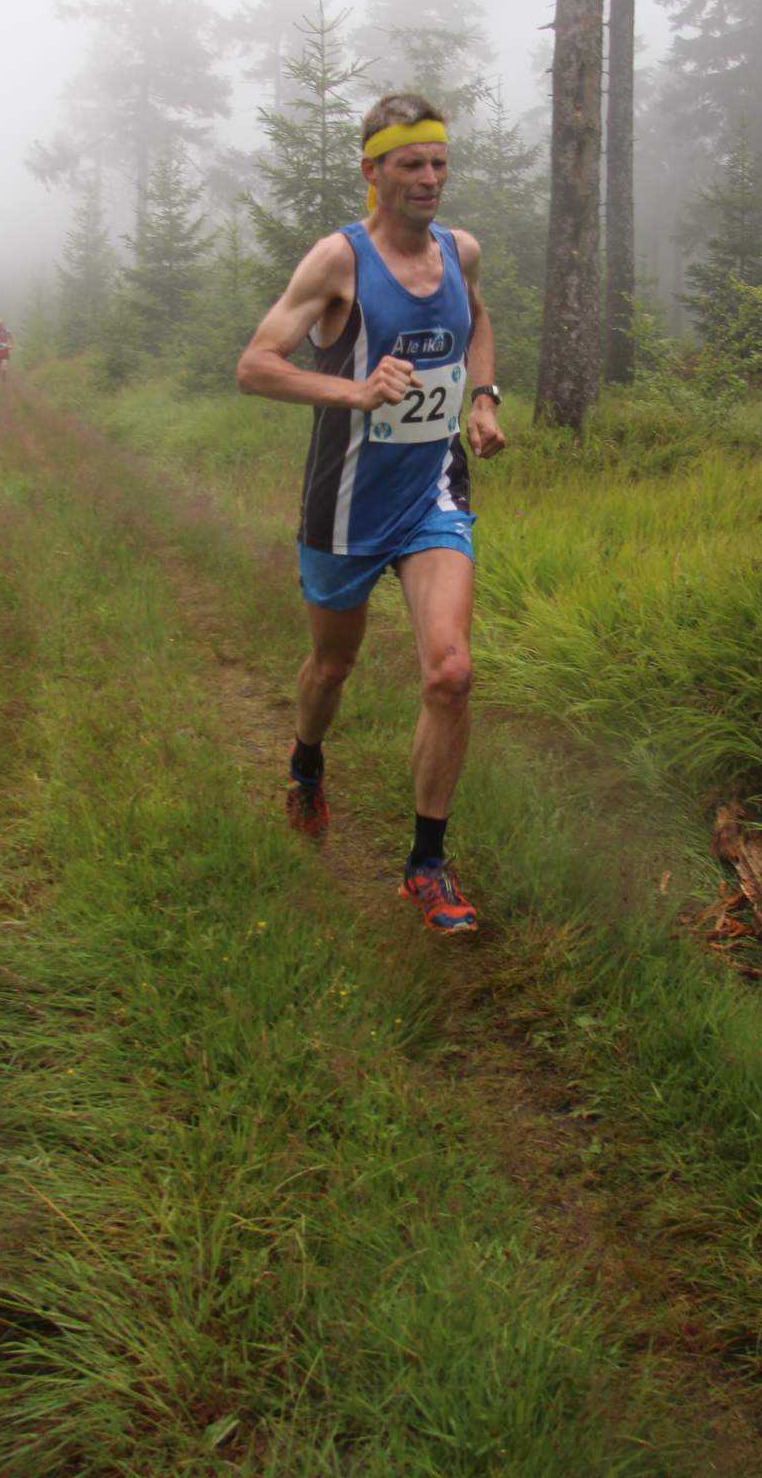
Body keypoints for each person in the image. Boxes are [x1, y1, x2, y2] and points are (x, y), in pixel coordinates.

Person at [236, 92, 506, 933]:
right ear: (373, 170)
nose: (429, 178)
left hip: (432, 494)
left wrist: (484, 398)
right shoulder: (337, 262)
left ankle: (426, 865)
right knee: (332, 666)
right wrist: (353, 390)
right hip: (346, 506)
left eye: (438, 163)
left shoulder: (459, 251)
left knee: (450, 672)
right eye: (410, 164)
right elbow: (255, 365)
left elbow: (478, 321)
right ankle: (306, 763)